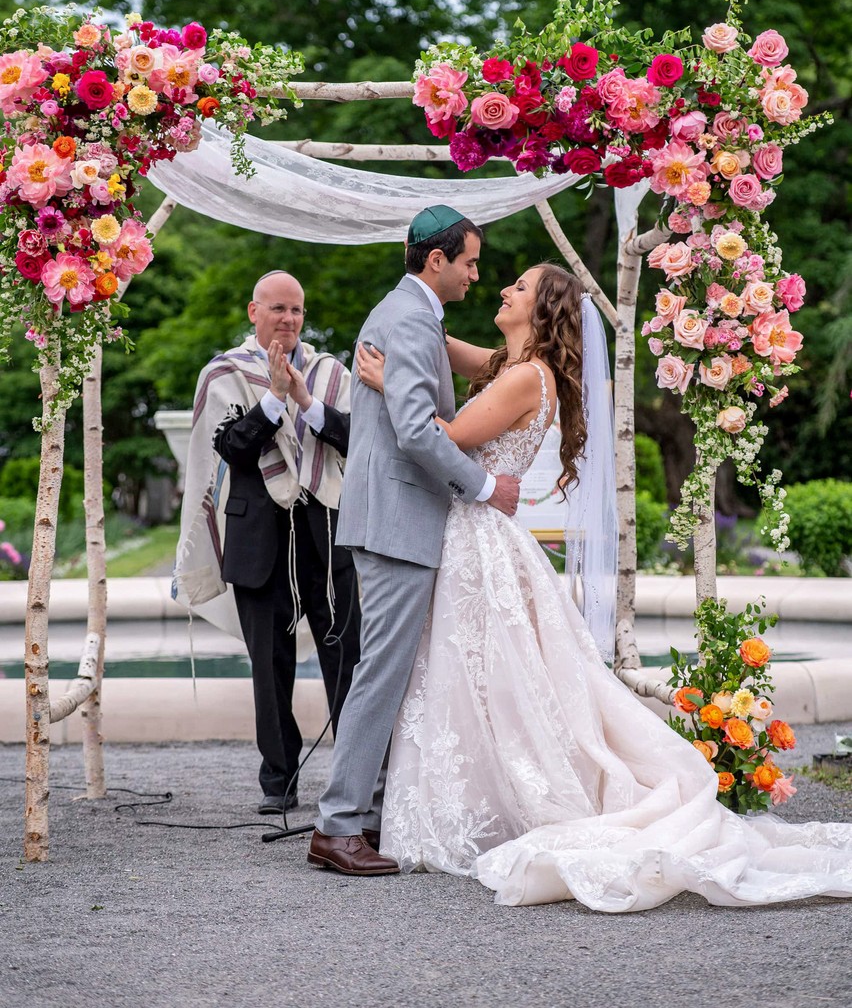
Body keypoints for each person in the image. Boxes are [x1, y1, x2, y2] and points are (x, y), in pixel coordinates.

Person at [355, 261, 852, 911]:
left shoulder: (522, 380)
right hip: (478, 542)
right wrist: (419, 315)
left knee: (484, 679)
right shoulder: (513, 368)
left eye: (520, 287)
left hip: (480, 541)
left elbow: (444, 436)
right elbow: (452, 344)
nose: (502, 287)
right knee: (486, 682)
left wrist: (392, 378)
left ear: (541, 313)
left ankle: (476, 806)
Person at [307, 206, 522, 875]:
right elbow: (417, 431)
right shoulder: (406, 317)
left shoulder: (416, 316)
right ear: (437, 260)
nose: (477, 275)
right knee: (382, 672)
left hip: (397, 518)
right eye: (470, 262)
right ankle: (338, 825)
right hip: (398, 521)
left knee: (391, 671)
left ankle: (360, 813)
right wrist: (485, 488)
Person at [180, 270, 360, 815]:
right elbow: (229, 450)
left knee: (344, 653)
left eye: (296, 311)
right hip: (260, 532)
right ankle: (278, 779)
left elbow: (357, 438)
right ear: (253, 312)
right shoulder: (225, 373)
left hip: (325, 527)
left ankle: (358, 779)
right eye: (277, 308)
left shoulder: (329, 373)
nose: (287, 319)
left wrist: (305, 401)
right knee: (270, 662)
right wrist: (274, 399)